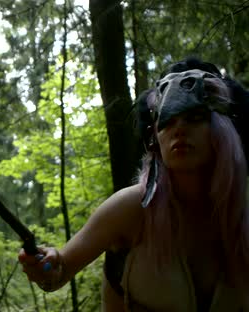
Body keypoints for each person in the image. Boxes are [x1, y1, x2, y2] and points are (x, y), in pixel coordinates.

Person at [18, 58, 249, 311]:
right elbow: (58, 273)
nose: (179, 129)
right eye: (167, 121)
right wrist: (46, 265)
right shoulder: (130, 209)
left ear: (225, 131)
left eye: (194, 117)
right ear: (154, 138)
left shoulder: (244, 215)